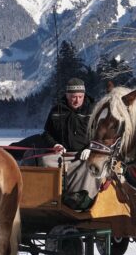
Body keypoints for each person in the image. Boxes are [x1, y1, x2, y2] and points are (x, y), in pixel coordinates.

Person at [41, 77, 98, 211]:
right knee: (44, 160)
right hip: (62, 154)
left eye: (80, 96)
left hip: (84, 154)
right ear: (67, 95)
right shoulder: (56, 110)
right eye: (73, 97)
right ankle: (51, 197)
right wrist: (55, 145)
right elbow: (46, 133)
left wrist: (91, 147)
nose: (77, 100)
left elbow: (102, 135)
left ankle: (81, 198)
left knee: (88, 166)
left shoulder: (93, 111)